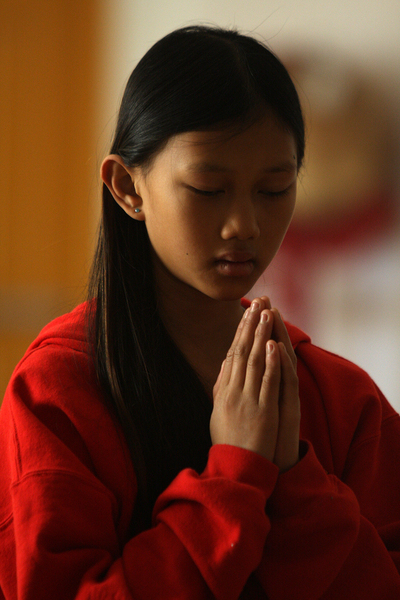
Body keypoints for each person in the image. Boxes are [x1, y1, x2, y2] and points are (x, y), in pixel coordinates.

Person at [0, 25, 399, 600]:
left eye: (274, 188)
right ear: (126, 187)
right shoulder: (58, 391)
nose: (244, 225)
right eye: (209, 189)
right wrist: (235, 476)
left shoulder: (343, 400)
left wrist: (293, 478)